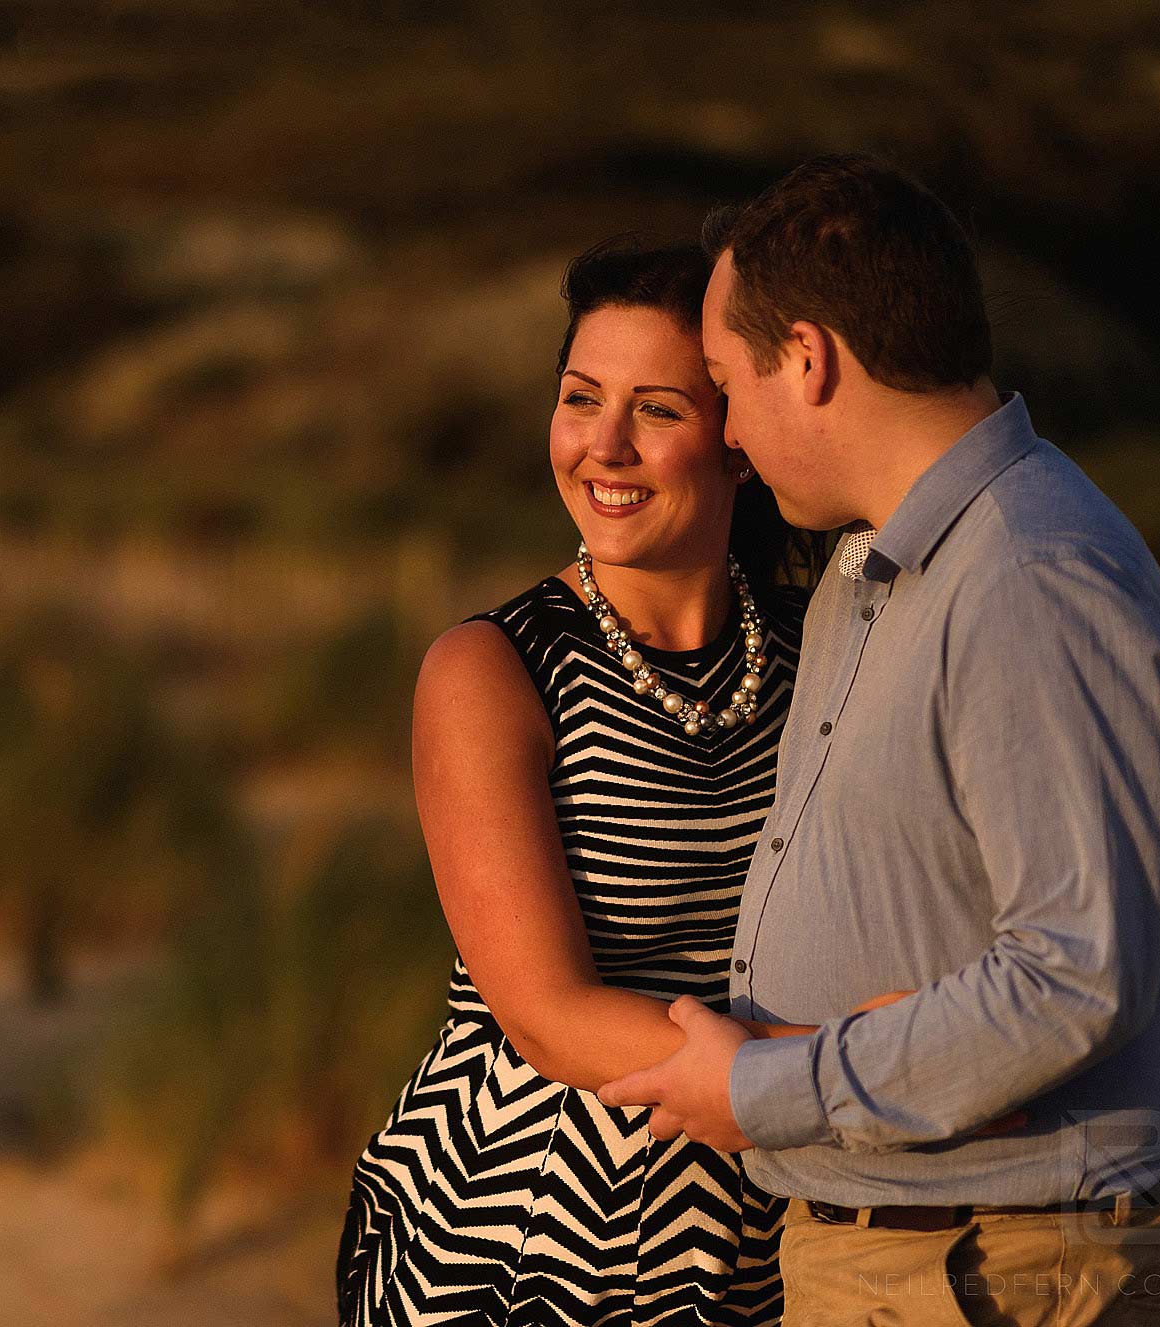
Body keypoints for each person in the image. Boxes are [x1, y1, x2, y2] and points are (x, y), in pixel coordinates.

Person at [597, 154, 1160, 1327]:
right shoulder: (879, 568)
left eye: (723, 380)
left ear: (809, 361)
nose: (722, 428)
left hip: (995, 1265)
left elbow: (1077, 972)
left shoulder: (1026, 575)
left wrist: (772, 1084)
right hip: (922, 1258)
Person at [335, 238, 829, 1327]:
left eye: (655, 407)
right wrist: (860, 1070)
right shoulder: (492, 668)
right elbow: (548, 1017)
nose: (602, 445)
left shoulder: (824, 648)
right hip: (522, 1243)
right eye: (578, 398)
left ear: (735, 437)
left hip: (769, 1243)